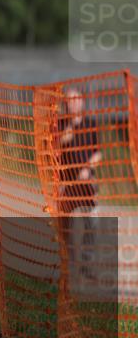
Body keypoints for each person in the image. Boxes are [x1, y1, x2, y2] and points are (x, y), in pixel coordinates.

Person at [55, 87, 102, 273]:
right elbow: (52, 153)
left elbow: (98, 153)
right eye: (68, 101)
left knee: (92, 222)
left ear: (82, 101)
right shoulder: (60, 125)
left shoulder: (91, 124)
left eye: (75, 99)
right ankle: (69, 261)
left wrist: (88, 168)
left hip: (86, 184)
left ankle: (87, 262)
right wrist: (61, 140)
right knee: (64, 225)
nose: (72, 104)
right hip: (66, 184)